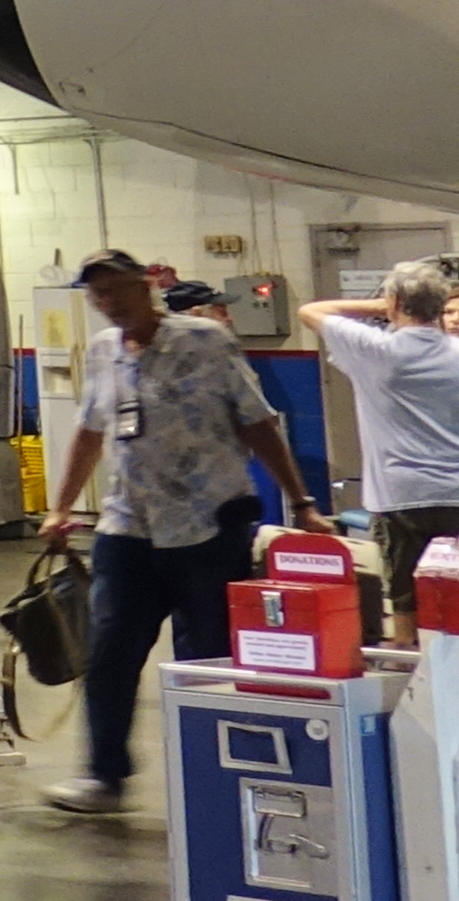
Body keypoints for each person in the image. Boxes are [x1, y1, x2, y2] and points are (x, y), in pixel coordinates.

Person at [42, 249, 310, 814]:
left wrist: (301, 501)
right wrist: (59, 507)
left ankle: (216, 779)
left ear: (146, 287)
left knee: (208, 658)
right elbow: (91, 432)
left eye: (116, 290)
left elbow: (256, 421)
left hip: (208, 525)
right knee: (110, 651)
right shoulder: (102, 352)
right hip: (129, 526)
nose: (107, 303)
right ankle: (104, 778)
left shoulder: (205, 341)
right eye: (98, 295)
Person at [303, 257, 459, 608]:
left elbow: (311, 311)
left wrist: (379, 306)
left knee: (407, 601)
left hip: (400, 495)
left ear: (396, 303)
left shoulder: (376, 350)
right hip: (456, 494)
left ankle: (408, 657)